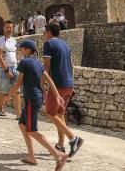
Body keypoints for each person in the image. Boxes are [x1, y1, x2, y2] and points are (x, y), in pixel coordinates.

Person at [8, 39, 68, 170]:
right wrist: (57, 95)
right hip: (38, 98)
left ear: (27, 50)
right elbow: (49, 79)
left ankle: (58, 155)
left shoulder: (24, 62)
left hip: (31, 100)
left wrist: (8, 95)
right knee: (23, 125)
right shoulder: (38, 63)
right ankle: (31, 157)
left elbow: (18, 83)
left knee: (32, 130)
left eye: (21, 48)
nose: (19, 50)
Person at [43, 23, 84, 158]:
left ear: (49, 32)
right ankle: (60, 145)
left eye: (45, 31)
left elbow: (46, 66)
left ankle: (73, 138)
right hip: (68, 84)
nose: (44, 34)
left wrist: (42, 82)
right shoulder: (65, 45)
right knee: (59, 114)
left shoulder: (48, 44)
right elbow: (71, 65)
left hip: (58, 85)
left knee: (49, 113)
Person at [0, 20, 21, 117]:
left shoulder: (14, 40)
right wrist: (6, 71)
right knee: (4, 91)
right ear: (3, 29)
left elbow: (15, 54)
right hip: (4, 69)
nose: (9, 29)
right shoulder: (0, 41)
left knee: (17, 91)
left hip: (15, 68)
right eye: (7, 27)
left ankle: (19, 114)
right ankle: (0, 109)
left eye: (10, 27)